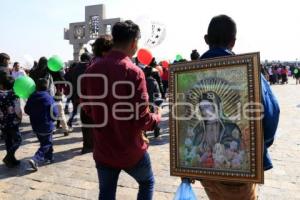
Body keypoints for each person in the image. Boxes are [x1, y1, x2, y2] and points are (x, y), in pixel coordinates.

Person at [184, 14, 280, 200]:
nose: (206, 112)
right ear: (233, 42)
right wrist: (260, 146)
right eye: (202, 108)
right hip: (236, 176)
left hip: (218, 173)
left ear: (206, 40)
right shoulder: (248, 71)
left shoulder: (187, 73)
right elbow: (271, 113)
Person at [81, 20, 161, 200]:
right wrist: (157, 117)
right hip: (130, 148)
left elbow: (85, 105)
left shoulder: (92, 70)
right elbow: (143, 119)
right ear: (134, 42)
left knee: (106, 194)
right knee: (147, 182)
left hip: (103, 147)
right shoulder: (133, 72)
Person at [25, 78, 58, 171]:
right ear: (47, 86)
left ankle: (49, 157)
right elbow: (54, 112)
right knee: (46, 143)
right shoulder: (49, 97)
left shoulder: (32, 96)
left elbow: (26, 110)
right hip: (46, 124)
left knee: (46, 141)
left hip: (35, 125)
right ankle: (35, 159)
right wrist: (53, 119)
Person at [0, 73, 22, 167]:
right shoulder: (14, 95)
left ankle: (12, 160)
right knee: (18, 140)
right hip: (13, 122)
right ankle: (8, 157)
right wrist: (20, 118)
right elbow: (17, 110)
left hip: (3, 123)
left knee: (8, 141)